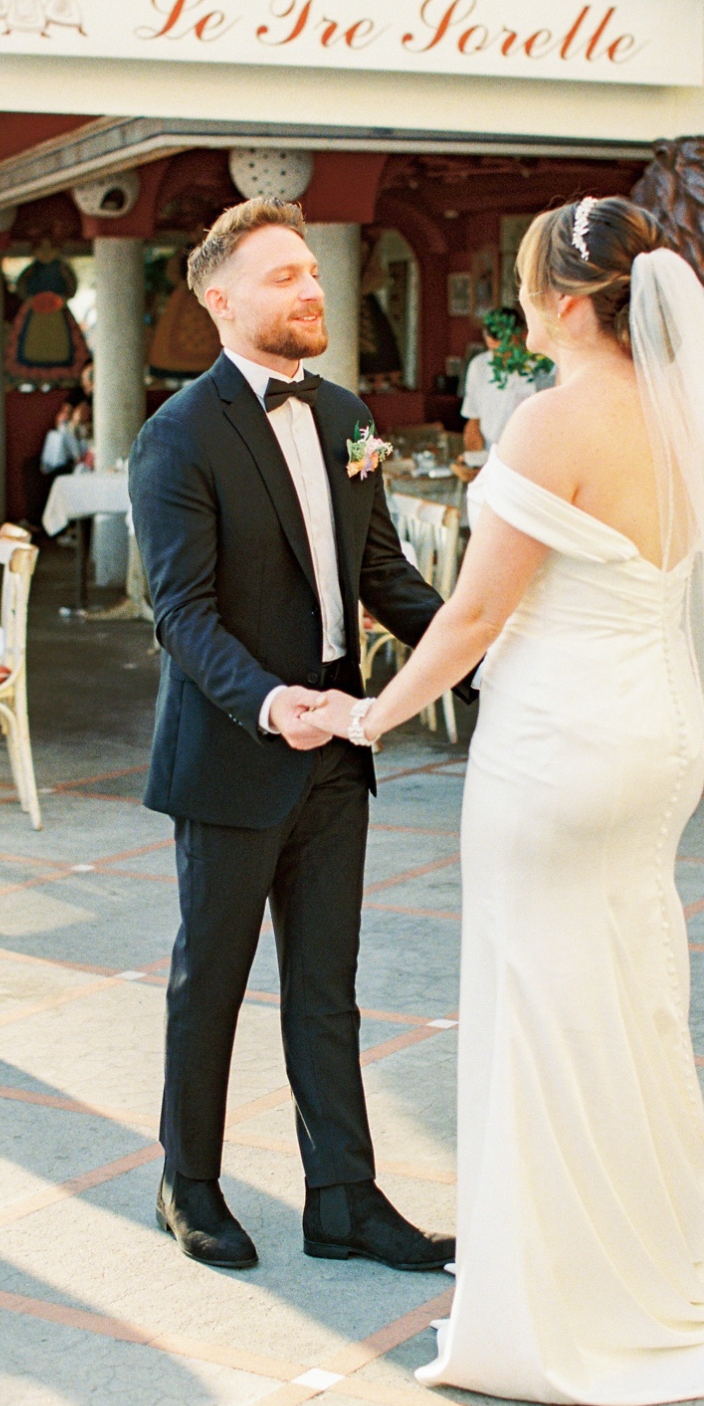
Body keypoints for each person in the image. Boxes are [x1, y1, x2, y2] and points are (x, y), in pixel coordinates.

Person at [305, 195, 704, 1406]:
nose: (519, 308)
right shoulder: (683, 417)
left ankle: (566, 1294)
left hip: (561, 746)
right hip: (656, 738)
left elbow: (473, 618)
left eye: (527, 287)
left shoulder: (550, 421)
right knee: (627, 984)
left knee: (539, 996)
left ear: (570, 303)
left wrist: (368, 714)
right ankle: (655, 1231)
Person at [129, 197, 471, 1274]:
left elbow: (384, 578)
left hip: (342, 747)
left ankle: (345, 1200)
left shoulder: (346, 418)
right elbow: (180, 613)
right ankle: (187, 1187)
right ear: (221, 301)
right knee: (213, 984)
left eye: (313, 273)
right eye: (283, 276)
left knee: (327, 987)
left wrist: (484, 655)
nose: (312, 289)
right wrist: (270, 703)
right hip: (235, 750)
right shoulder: (176, 435)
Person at [460, 310, 539, 453]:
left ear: (523, 335)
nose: (499, 357)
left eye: (505, 350)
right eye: (494, 350)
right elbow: (473, 420)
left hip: (529, 451)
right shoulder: (479, 366)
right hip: (491, 450)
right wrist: (474, 459)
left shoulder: (541, 368)